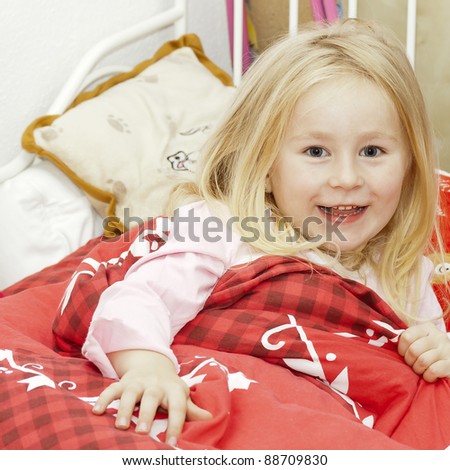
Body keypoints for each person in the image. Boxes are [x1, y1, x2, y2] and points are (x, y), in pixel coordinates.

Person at [82, 18, 450, 446]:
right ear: (266, 167)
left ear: (410, 165)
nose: (347, 177)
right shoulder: (224, 227)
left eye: (372, 151)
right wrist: (148, 369)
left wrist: (438, 350)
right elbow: (139, 297)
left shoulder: (406, 272)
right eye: (316, 151)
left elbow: (412, 374)